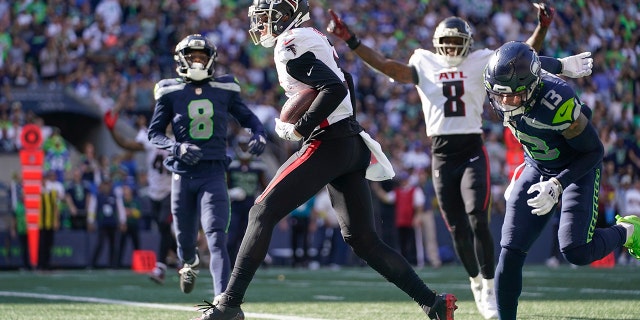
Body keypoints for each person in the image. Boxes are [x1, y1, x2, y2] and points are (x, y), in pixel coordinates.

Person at [326, 4, 593, 319]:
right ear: (438, 42)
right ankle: (477, 281)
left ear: (467, 43)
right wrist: (352, 40)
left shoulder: (481, 60)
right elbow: (388, 66)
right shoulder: (423, 61)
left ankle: (490, 287)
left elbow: (522, 61)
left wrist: (542, 28)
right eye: (448, 42)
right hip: (440, 153)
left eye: (457, 43)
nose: (452, 48)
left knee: (477, 218)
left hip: (471, 149)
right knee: (456, 228)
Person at [198, 1, 457, 319]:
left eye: (268, 18)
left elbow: (334, 86)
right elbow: (345, 79)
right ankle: (432, 302)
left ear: (288, 14)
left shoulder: (291, 42)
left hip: (328, 143)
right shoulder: (311, 36)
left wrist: (301, 127)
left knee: (260, 211)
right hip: (348, 141)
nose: (262, 26)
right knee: (363, 240)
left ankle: (229, 304)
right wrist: (341, 124)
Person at [482, 40, 640, 320]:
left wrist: (558, 185)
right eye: (499, 95)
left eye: (513, 96)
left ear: (531, 88)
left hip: (576, 166)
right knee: (511, 248)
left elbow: (594, 151)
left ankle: (628, 230)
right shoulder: (507, 81)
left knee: (576, 251)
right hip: (537, 164)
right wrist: (563, 64)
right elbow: (532, 63)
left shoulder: (557, 102)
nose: (504, 102)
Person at [147, 34, 267, 298]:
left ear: (211, 60)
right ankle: (188, 263)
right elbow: (154, 133)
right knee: (185, 241)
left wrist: (258, 133)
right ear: (181, 60)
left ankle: (222, 299)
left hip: (213, 172)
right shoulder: (170, 91)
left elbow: (249, 118)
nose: (198, 62)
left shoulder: (224, 88)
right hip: (183, 173)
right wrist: (177, 147)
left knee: (216, 236)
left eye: (202, 57)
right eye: (192, 57)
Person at [104, 110, 177, 284]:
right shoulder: (150, 137)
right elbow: (126, 145)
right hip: (153, 192)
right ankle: (184, 256)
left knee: (164, 224)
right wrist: (112, 130)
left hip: (171, 191)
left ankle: (160, 267)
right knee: (162, 228)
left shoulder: (178, 139)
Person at [226, 133, 269, 267]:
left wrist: (262, 199)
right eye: (242, 145)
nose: (244, 148)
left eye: (246, 145)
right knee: (232, 238)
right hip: (234, 206)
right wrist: (231, 192)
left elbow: (264, 187)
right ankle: (230, 264)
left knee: (249, 237)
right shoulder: (231, 164)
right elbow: (223, 185)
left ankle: (246, 265)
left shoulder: (258, 165)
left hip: (251, 204)